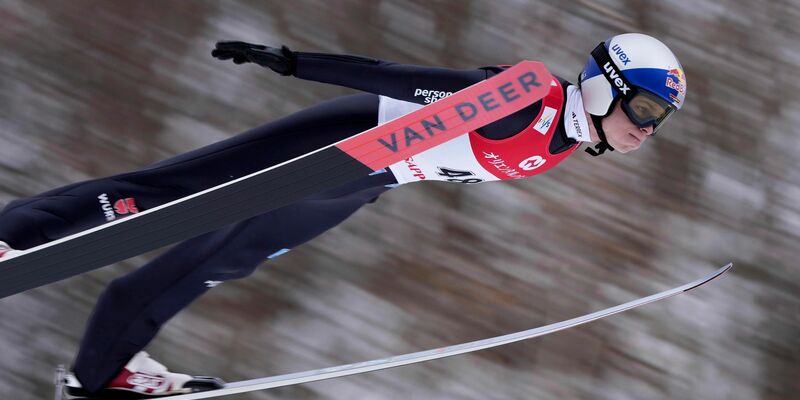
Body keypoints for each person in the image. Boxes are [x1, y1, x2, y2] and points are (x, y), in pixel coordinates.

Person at [0, 32, 686, 398]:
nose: (648, 130)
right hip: (346, 142)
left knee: (223, 259)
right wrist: (295, 64)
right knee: (172, 192)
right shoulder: (530, 96)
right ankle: (12, 236)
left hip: (366, 181)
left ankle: (104, 371)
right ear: (605, 86)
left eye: (661, 121)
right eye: (646, 110)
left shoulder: (565, 142)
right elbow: (408, 81)